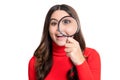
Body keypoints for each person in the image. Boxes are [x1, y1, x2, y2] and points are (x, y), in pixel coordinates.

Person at [28, 4, 101, 80]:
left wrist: (80, 61)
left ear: (76, 27)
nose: (60, 29)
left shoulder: (91, 55)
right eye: (54, 23)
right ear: (48, 28)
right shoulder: (35, 62)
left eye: (66, 22)